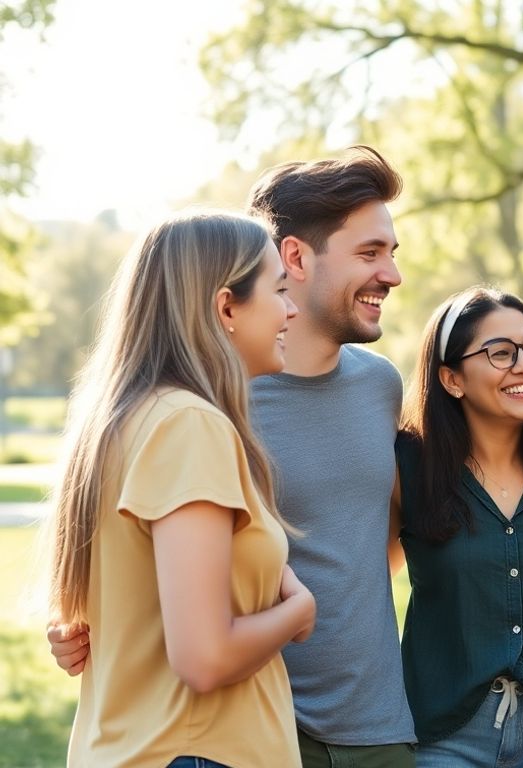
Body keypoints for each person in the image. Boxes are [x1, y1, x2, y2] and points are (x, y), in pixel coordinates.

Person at [48, 145, 418, 767]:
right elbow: (175, 628)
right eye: (369, 252)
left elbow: (373, 539)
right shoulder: (201, 416)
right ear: (292, 260)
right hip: (227, 731)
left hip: (365, 725)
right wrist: (299, 609)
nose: (392, 274)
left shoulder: (378, 386)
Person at [47, 211, 312, 766]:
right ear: (226, 308)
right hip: (196, 754)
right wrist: (300, 612)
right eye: (279, 290)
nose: (291, 310)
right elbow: (204, 658)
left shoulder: (124, 421)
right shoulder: (189, 426)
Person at [395, 287, 523, 768]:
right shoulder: (407, 468)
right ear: (452, 379)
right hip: (441, 739)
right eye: (501, 353)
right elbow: (370, 579)